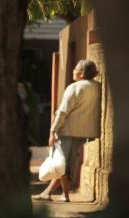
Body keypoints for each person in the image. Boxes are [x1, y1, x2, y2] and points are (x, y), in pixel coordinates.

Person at [33, 59, 101, 202]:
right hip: (84, 132)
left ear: (81, 74)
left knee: (62, 165)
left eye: (75, 70)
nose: (73, 72)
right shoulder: (97, 87)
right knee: (65, 164)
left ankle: (65, 195)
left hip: (68, 131)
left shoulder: (74, 87)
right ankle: (47, 193)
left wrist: (53, 131)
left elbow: (63, 111)